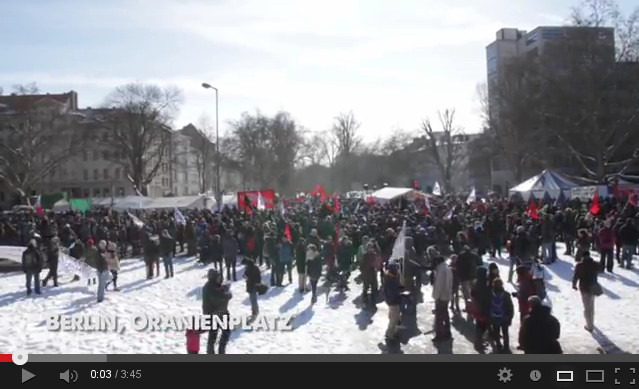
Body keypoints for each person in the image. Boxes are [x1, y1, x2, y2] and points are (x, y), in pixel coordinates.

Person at [202, 269, 232, 354]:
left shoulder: (212, 286)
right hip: (216, 315)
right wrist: (227, 292)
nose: (220, 278)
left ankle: (214, 352)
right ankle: (220, 352)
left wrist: (223, 288)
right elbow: (220, 298)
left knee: (214, 335)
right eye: (218, 276)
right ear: (214, 277)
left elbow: (218, 294)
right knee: (221, 333)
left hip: (217, 314)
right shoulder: (210, 287)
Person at [572, 250, 599, 332]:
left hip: (584, 287)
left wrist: (574, 285)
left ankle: (589, 325)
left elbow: (576, 276)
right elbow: (601, 269)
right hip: (593, 286)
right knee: (591, 305)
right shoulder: (594, 264)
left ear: (582, 256)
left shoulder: (580, 265)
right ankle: (591, 322)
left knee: (587, 307)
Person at [489, 278, 514, 354]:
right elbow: (510, 307)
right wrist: (510, 317)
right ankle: (506, 347)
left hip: (494, 318)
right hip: (504, 318)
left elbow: (488, 306)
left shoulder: (490, 294)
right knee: (505, 332)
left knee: (496, 332)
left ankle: (499, 345)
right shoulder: (506, 295)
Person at [431, 255, 453, 342]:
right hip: (447, 295)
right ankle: (447, 332)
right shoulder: (448, 269)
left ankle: (439, 335)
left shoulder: (440, 270)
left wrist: (436, 297)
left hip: (441, 297)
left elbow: (439, 285)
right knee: (445, 315)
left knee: (439, 317)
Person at [470, 267, 492, 353]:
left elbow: (472, 293)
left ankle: (478, 342)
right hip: (484, 309)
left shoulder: (476, 283)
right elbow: (489, 296)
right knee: (482, 327)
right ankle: (478, 344)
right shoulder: (485, 285)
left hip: (477, 308)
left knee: (479, 325)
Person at [383, 261, 402, 344]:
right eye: (396, 268)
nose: (398, 270)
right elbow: (392, 292)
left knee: (396, 318)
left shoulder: (392, 276)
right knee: (394, 319)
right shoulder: (390, 279)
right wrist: (399, 294)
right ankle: (389, 334)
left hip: (393, 300)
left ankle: (394, 332)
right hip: (393, 301)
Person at [360, 242, 379, 308]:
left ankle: (373, 303)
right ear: (367, 248)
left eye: (372, 248)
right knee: (365, 288)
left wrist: (376, 267)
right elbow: (362, 265)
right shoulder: (365, 255)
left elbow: (376, 263)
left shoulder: (374, 254)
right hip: (366, 274)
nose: (371, 249)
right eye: (369, 248)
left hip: (373, 273)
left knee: (374, 288)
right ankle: (365, 302)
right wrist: (363, 272)